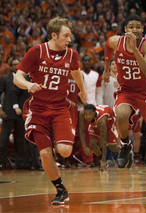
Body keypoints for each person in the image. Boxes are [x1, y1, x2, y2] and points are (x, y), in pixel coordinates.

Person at [13, 17, 87, 205]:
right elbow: (17, 78)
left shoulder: (72, 55)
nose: (69, 39)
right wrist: (28, 84)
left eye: (70, 36)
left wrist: (83, 91)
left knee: (63, 152)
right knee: (45, 154)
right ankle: (61, 189)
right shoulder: (36, 51)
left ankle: (57, 140)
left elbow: (76, 72)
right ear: (54, 35)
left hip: (61, 108)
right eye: (66, 36)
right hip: (37, 109)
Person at [102, 14, 146, 169]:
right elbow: (107, 46)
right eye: (131, 27)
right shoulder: (116, 41)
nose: (135, 29)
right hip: (126, 90)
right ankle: (125, 145)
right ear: (125, 29)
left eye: (138, 27)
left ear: (142, 29)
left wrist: (135, 50)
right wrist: (106, 70)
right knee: (121, 114)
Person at [0, 59, 27, 170]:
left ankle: (20, 163)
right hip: (7, 112)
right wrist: (0, 110)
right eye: (14, 65)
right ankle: (1, 162)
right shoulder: (5, 78)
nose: (16, 66)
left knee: (20, 139)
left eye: (18, 64)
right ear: (11, 67)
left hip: (21, 113)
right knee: (4, 138)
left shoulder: (25, 79)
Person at [79, 104, 120, 171]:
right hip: (96, 122)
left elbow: (104, 141)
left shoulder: (101, 121)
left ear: (94, 113)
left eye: (90, 114)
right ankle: (101, 159)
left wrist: (103, 162)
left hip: (110, 123)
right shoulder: (82, 114)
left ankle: (126, 151)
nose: (88, 116)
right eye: (86, 114)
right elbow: (81, 129)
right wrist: (84, 146)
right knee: (92, 144)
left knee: (112, 147)